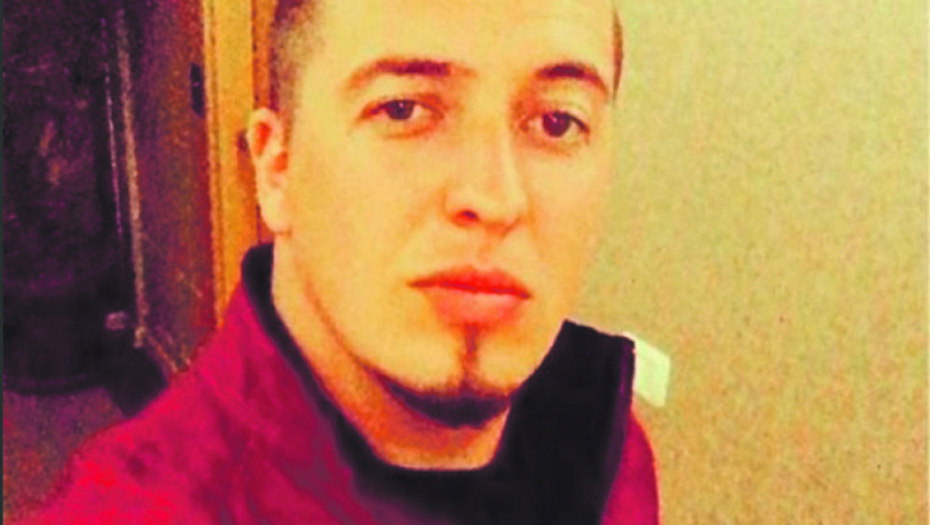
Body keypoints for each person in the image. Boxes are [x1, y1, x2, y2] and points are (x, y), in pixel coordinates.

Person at [17, 0, 659, 522]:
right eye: (403, 109)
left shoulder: (612, 448)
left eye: (557, 122)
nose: (496, 200)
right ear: (277, 170)